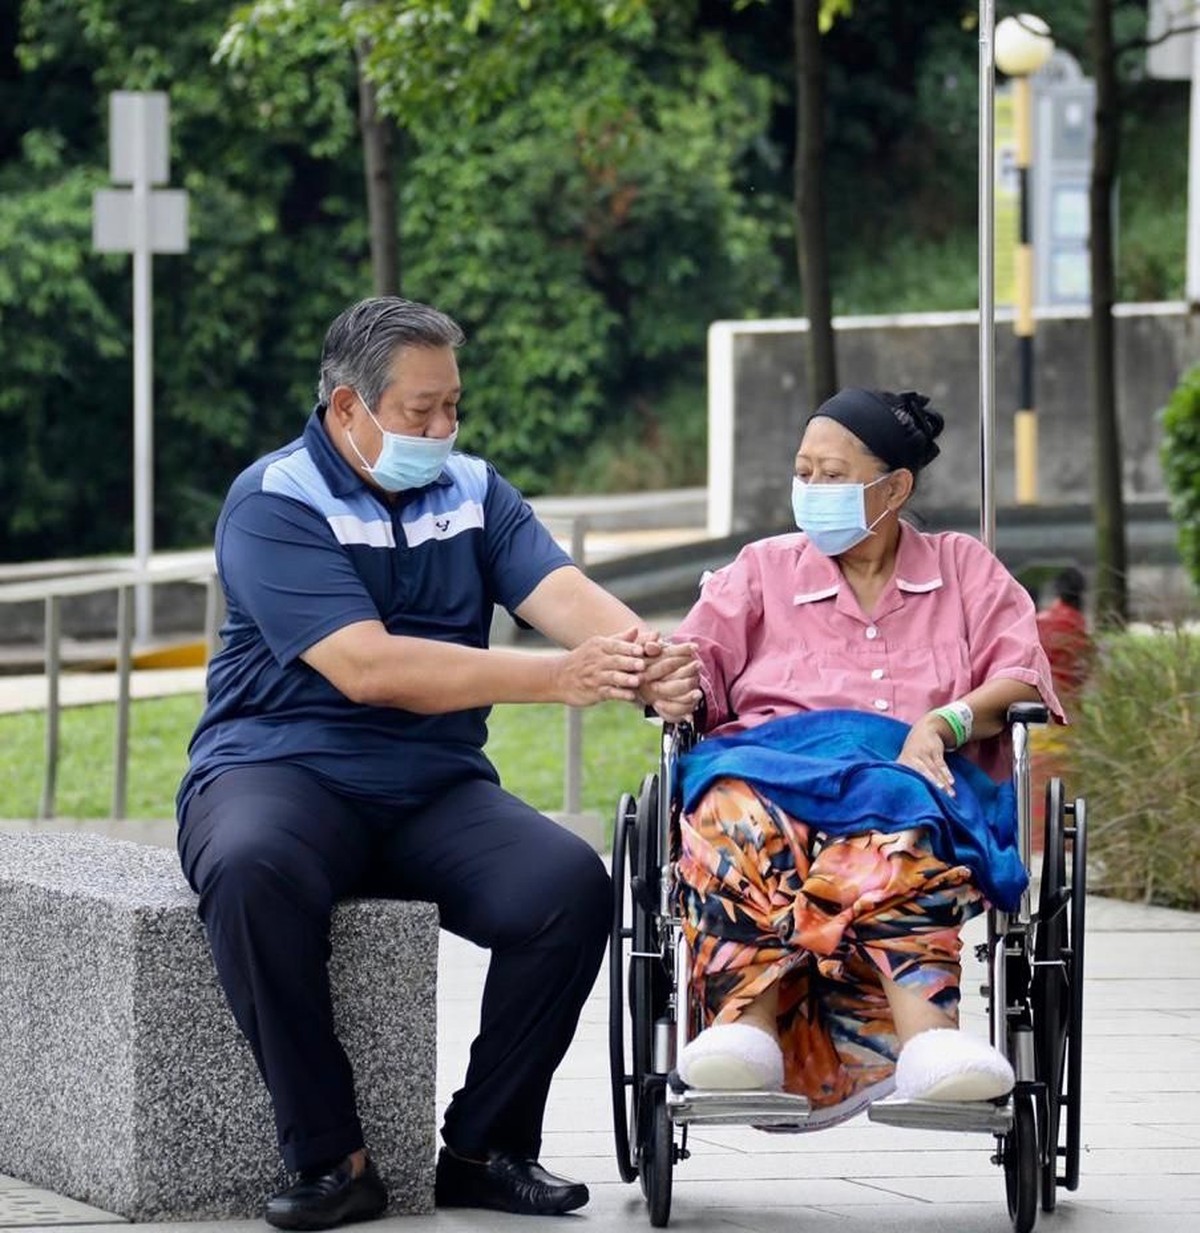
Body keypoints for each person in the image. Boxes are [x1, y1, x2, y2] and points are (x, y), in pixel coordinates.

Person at [175, 296, 699, 1231]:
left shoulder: (474, 490)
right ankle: (332, 1158)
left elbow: (558, 590)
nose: (443, 429)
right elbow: (369, 666)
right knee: (253, 868)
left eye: (453, 407)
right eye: (420, 412)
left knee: (568, 886)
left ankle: (484, 1149)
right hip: (278, 769)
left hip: (430, 787)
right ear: (348, 409)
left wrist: (644, 659)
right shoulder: (273, 500)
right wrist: (563, 679)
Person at [641, 387, 1063, 1125]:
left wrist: (945, 719)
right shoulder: (762, 568)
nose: (810, 491)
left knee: (903, 812)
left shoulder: (962, 568)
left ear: (894, 487)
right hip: (773, 769)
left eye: (831, 475)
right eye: (803, 472)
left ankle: (928, 1041)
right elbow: (696, 661)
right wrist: (674, 681)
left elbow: (1023, 674)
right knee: (725, 806)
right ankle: (746, 1026)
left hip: (910, 775)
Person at [1036, 564, 1095, 698]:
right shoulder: (1080, 629)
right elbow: (1085, 670)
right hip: (1069, 702)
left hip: (1038, 699)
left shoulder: (1037, 622)